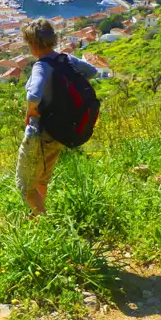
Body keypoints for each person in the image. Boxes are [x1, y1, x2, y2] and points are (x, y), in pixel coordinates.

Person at [16, 18, 98, 216]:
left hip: (39, 132)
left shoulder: (41, 66)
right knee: (42, 179)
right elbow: (91, 71)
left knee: (25, 184)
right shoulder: (66, 59)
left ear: (34, 44)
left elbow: (33, 94)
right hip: (60, 129)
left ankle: (44, 224)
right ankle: (38, 218)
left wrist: (31, 110)